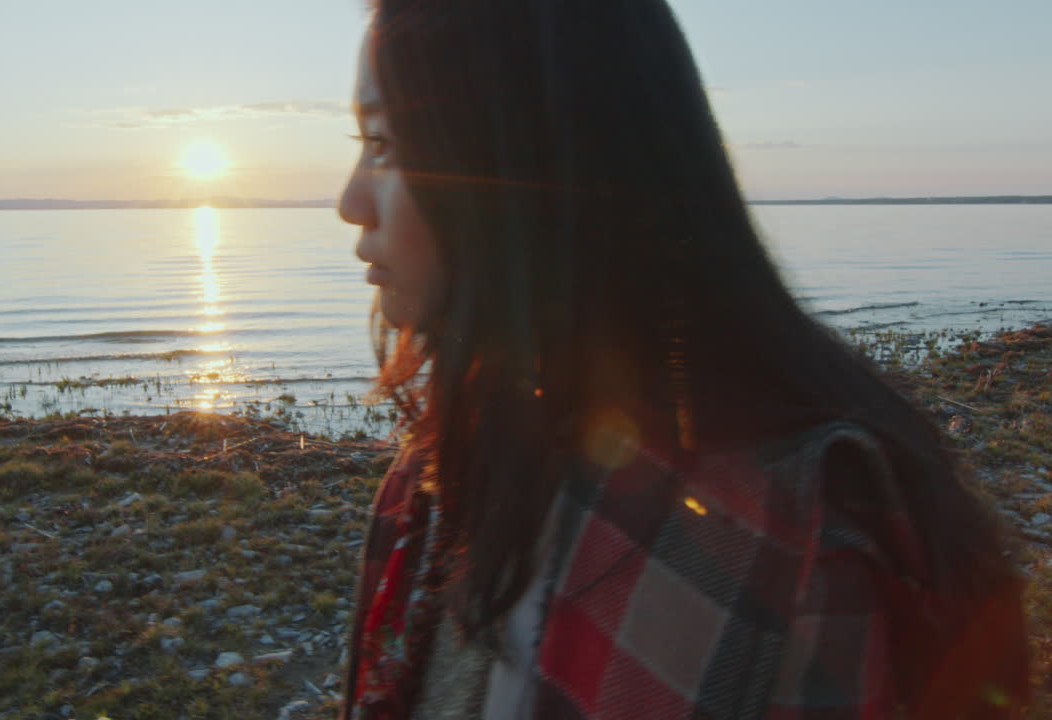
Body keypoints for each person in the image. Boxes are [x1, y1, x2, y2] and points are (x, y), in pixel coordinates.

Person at [335, 1, 1029, 718]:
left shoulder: (798, 550)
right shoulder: (441, 471)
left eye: (385, 145)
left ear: (531, 165)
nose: (349, 201)